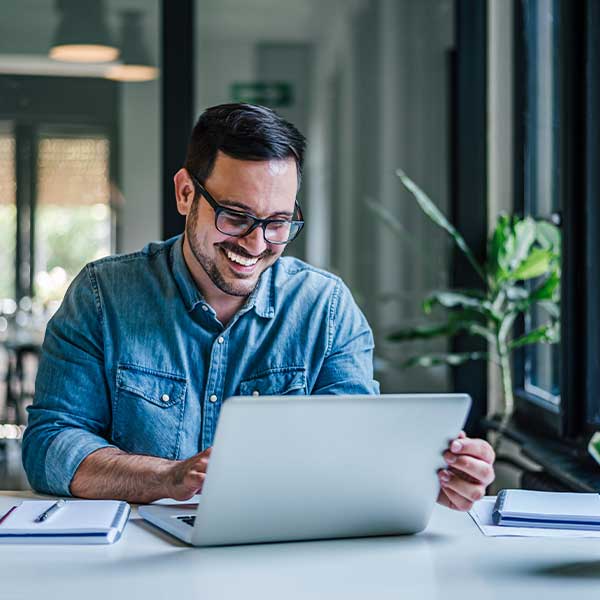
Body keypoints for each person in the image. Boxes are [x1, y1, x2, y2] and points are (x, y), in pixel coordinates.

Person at [22, 103, 494, 509]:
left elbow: (350, 454)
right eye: (236, 216)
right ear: (186, 194)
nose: (257, 242)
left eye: (279, 222)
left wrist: (428, 478)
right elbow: (50, 445)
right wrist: (168, 477)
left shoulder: (325, 311)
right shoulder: (102, 297)